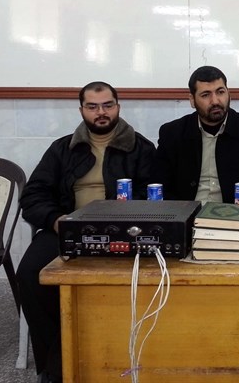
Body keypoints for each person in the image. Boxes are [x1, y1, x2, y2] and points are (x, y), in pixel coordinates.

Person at [16, 81, 156, 383]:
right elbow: (33, 195)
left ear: (118, 107)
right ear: (81, 110)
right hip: (66, 229)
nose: (101, 112)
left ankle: (112, 353)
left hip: (122, 233)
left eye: (107, 105)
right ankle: (56, 364)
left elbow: (153, 195)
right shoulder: (63, 148)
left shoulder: (141, 148)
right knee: (30, 273)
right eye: (92, 107)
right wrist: (56, 220)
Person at [154, 65, 239, 211]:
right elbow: (159, 190)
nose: (215, 101)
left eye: (220, 92)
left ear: (229, 94)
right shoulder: (172, 134)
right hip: (186, 216)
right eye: (205, 95)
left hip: (235, 216)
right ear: (192, 100)